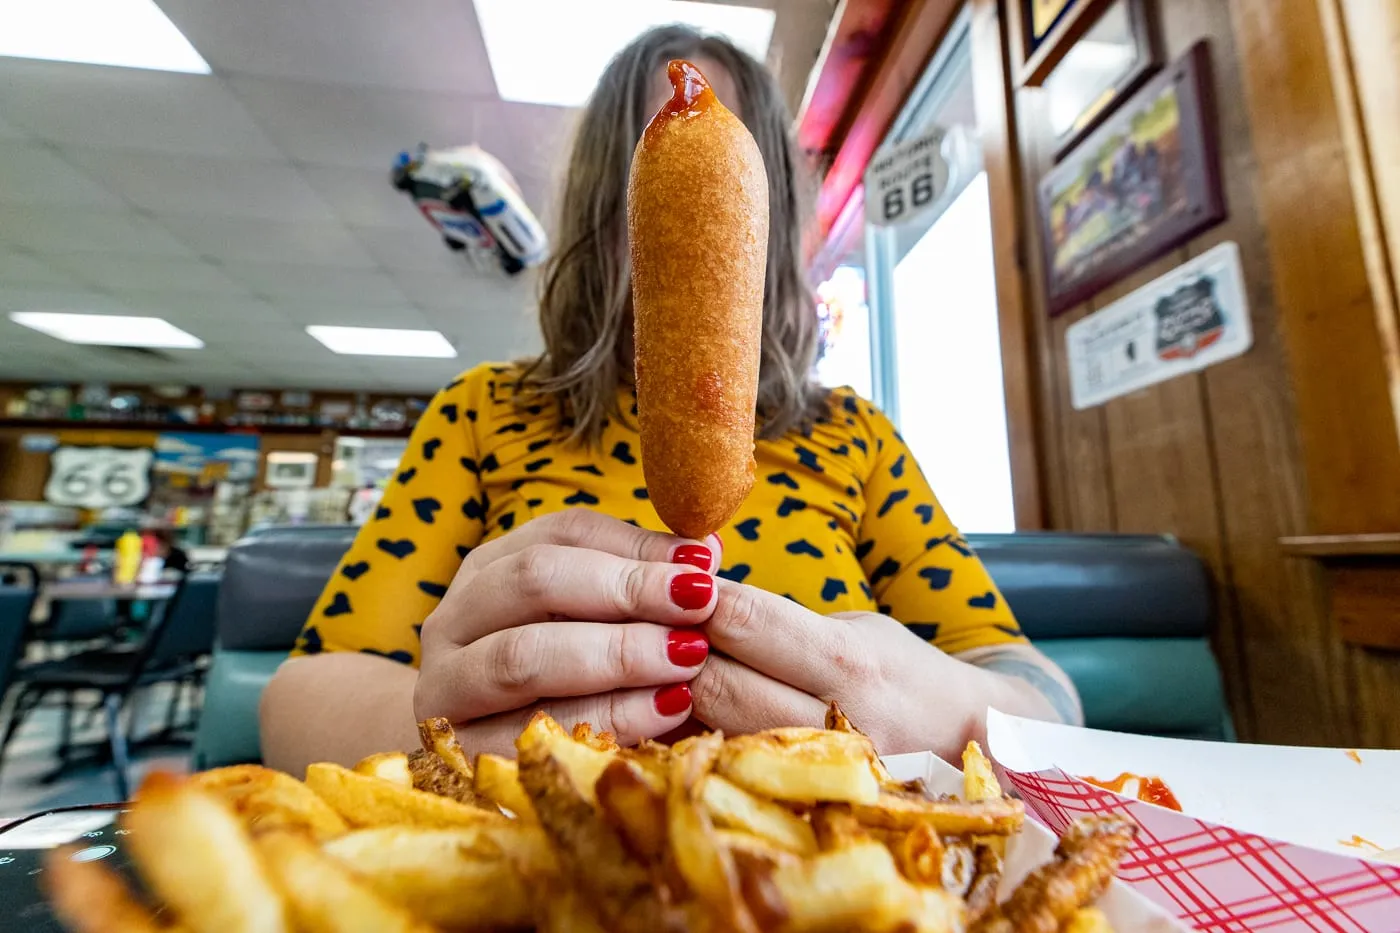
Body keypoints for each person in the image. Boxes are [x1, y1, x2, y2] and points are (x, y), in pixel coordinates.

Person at [260, 25, 1081, 776]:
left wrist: (955, 710)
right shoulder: (484, 413)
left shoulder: (853, 437)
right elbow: (297, 697)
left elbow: (1040, 690)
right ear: (603, 207)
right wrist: (437, 723)